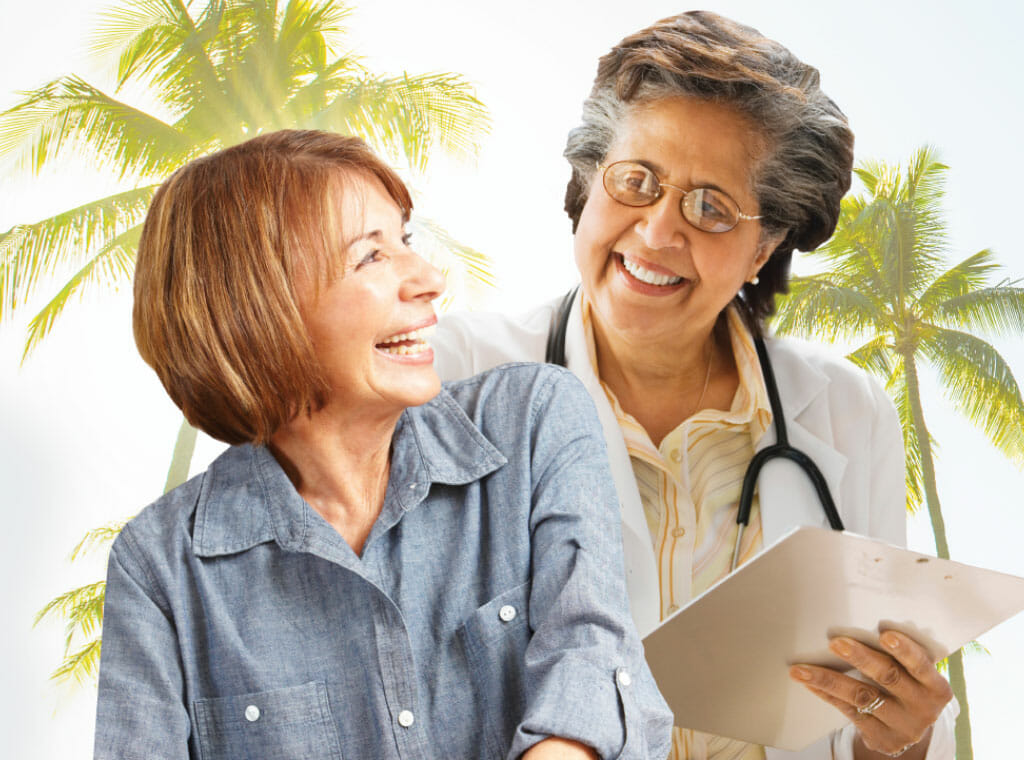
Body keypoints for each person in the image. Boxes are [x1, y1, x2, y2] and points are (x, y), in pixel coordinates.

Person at [432, 11, 956, 760]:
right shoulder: (457, 377)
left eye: (711, 206)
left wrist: (902, 736)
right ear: (588, 182)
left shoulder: (846, 411)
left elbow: (860, 718)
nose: (657, 232)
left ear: (764, 245)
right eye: (636, 181)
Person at [93, 130, 673, 759]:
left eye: (407, 241)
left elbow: (591, 651)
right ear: (258, 311)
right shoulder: (159, 568)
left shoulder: (534, 420)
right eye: (370, 257)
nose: (429, 280)